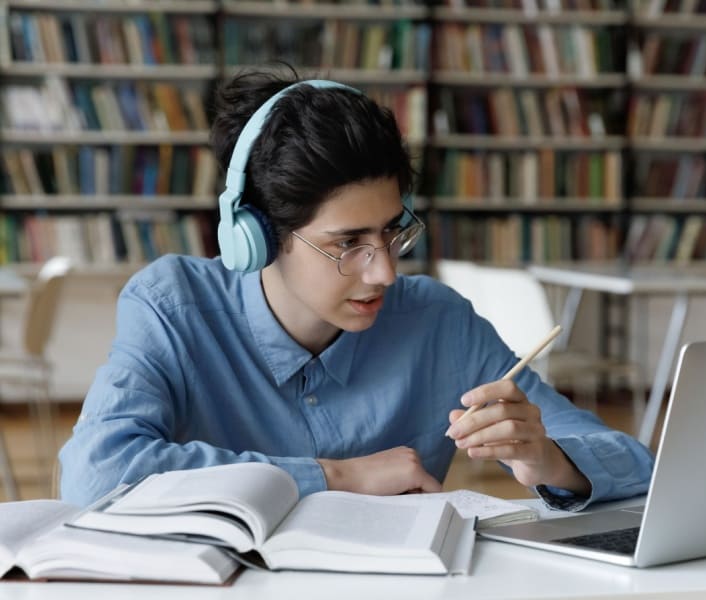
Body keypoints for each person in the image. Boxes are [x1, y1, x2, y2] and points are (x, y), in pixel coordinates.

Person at [59, 66, 653, 509]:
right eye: (347, 244)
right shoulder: (173, 307)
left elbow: (637, 465)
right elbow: (94, 474)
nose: (384, 272)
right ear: (259, 236)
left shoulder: (438, 322)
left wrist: (546, 456)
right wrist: (339, 476)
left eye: (393, 232)